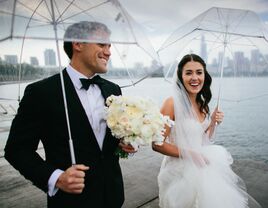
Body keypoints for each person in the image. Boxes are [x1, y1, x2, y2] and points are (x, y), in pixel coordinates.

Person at [4, 21, 136, 208]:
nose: (108, 51)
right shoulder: (41, 92)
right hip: (70, 203)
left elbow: (106, 145)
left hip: (113, 196)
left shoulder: (113, 90)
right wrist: (56, 178)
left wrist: (123, 145)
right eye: (101, 44)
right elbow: (16, 150)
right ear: (78, 44)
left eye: (109, 45)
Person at [152, 54, 262, 208]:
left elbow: (204, 140)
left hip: (202, 164)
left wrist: (213, 123)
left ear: (205, 75)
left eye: (199, 72)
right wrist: (190, 154)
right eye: (188, 73)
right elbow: (157, 144)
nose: (195, 77)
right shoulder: (171, 103)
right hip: (178, 171)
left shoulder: (203, 104)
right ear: (180, 76)